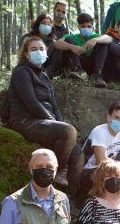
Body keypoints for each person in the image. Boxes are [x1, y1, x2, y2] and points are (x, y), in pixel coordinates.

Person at [6, 36, 82, 188]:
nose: (38, 52)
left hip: (44, 121)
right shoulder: (21, 72)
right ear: (26, 54)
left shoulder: (44, 75)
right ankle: (57, 171)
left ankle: (76, 196)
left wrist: (59, 122)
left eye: (41, 49)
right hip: (25, 120)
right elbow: (30, 101)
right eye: (34, 49)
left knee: (78, 151)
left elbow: (54, 105)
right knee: (67, 132)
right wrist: (54, 122)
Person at [77, 102, 120, 205]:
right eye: (116, 118)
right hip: (89, 170)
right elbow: (102, 161)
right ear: (109, 117)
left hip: (109, 169)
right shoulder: (99, 131)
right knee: (110, 175)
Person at [53, 13, 113, 86]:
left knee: (102, 43)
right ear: (78, 27)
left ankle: (97, 75)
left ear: (92, 27)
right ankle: (79, 71)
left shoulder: (96, 36)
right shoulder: (72, 37)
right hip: (78, 63)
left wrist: (95, 40)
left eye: (89, 26)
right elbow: (57, 44)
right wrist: (72, 47)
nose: (86, 28)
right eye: (83, 26)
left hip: (93, 64)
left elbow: (109, 38)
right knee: (68, 41)